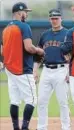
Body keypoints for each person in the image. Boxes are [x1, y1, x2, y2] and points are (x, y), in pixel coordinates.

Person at [1, 2, 44, 130]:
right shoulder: (24, 27)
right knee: (31, 100)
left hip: (9, 69)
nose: (26, 14)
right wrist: (39, 51)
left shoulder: (6, 29)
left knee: (14, 100)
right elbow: (29, 47)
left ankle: (16, 127)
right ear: (19, 13)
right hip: (22, 69)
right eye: (26, 12)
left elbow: (2, 51)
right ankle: (25, 127)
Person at [33, 9, 71, 130]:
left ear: (61, 19)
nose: (54, 20)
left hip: (62, 69)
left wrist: (69, 71)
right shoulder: (45, 35)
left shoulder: (68, 34)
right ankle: (41, 127)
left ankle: (66, 127)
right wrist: (35, 70)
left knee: (63, 102)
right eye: (52, 18)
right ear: (49, 19)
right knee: (42, 101)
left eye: (56, 18)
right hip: (46, 70)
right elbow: (39, 55)